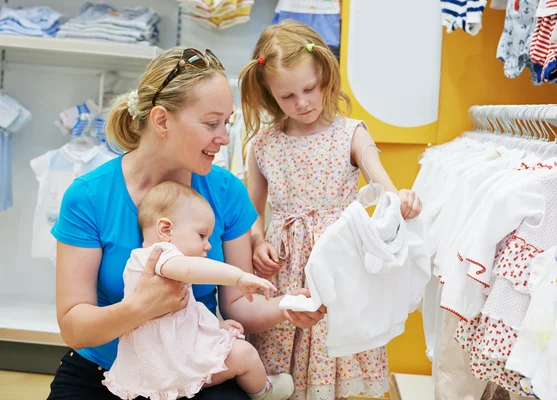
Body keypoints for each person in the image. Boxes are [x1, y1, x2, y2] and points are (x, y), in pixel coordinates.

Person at [48, 47, 325, 400]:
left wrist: (286, 307)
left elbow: (239, 305)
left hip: (195, 370)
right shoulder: (89, 197)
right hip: (108, 372)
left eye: (227, 123)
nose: (224, 137)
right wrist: (140, 307)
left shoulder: (226, 191)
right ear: (162, 121)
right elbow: (75, 326)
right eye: (212, 123)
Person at [239, 20, 423, 400]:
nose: (302, 102)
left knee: (333, 353)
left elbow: (385, 189)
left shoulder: (351, 133)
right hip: (285, 268)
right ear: (269, 93)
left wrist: (403, 198)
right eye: (287, 96)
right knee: (281, 363)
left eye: (309, 88)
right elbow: (250, 213)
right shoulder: (263, 144)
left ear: (325, 74)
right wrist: (257, 242)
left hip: (340, 263)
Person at [103, 180, 294, 400]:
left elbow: (178, 318)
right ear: (166, 230)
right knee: (245, 354)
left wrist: (215, 326)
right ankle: (263, 392)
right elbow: (190, 270)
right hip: (172, 363)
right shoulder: (157, 256)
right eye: (202, 235)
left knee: (237, 349)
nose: (208, 245)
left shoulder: (162, 264)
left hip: (164, 362)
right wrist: (238, 276)